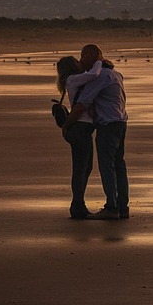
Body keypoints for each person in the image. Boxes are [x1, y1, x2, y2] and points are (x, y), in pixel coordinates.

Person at [65, 47, 129, 220]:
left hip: (108, 126)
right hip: (121, 122)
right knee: (119, 166)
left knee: (107, 166)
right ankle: (122, 207)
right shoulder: (116, 74)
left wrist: (66, 125)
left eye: (83, 56)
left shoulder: (100, 76)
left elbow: (84, 103)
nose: (82, 60)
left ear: (92, 56)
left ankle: (111, 207)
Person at [55, 44, 109, 219]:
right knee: (81, 168)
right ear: (72, 66)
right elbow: (94, 74)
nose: (80, 61)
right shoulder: (73, 79)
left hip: (82, 129)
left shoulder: (75, 79)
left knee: (85, 167)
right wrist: (100, 62)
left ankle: (78, 203)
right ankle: (77, 205)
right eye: (77, 61)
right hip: (80, 128)